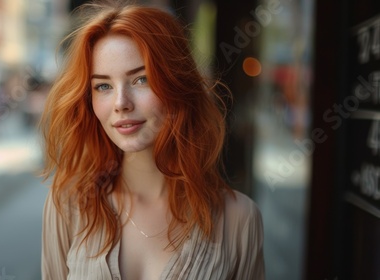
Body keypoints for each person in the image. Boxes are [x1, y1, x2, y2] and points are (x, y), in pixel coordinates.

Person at [39, 2, 265, 279]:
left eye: (141, 79)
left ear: (177, 85)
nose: (121, 103)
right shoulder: (69, 204)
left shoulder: (239, 219)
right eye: (103, 86)